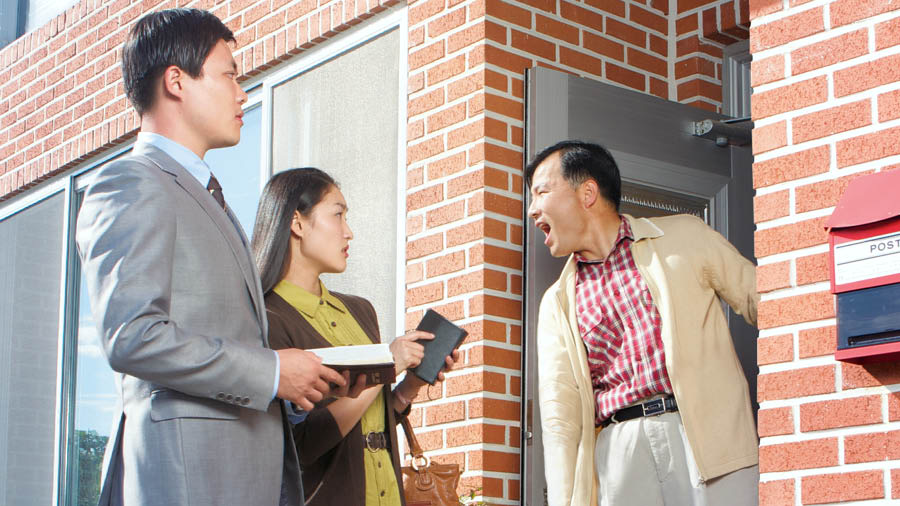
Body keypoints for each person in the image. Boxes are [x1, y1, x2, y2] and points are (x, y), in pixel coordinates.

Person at [75, 9, 347, 506]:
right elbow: (132, 336)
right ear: (176, 81)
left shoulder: (208, 196)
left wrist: (288, 385)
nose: (242, 93)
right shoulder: (132, 183)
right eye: (229, 74)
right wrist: (269, 372)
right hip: (187, 478)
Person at [526, 141, 760, 506]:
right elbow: (560, 421)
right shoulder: (557, 302)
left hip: (709, 437)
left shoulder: (685, 236)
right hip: (620, 450)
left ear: (588, 192)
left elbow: (762, 299)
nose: (532, 209)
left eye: (541, 192)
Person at [251, 167, 459, 506]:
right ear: (297, 222)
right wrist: (388, 364)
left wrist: (409, 386)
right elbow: (300, 444)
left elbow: (371, 419)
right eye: (338, 215)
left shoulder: (360, 312)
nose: (349, 233)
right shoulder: (267, 318)